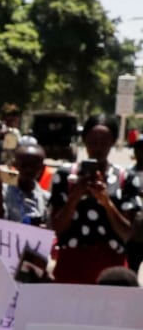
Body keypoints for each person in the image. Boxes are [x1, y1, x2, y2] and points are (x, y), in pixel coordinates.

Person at [50, 113, 139, 284]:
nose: (98, 148)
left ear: (113, 143)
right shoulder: (64, 175)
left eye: (104, 142)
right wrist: (74, 198)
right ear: (84, 141)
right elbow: (57, 228)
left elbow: (127, 233)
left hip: (111, 268)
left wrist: (106, 201)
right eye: (93, 142)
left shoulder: (125, 178)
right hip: (71, 263)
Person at [0, 137, 50, 225]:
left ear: (42, 168)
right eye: (24, 165)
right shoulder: (0, 191)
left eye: (34, 166)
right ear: (15, 165)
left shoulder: (46, 199)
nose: (29, 170)